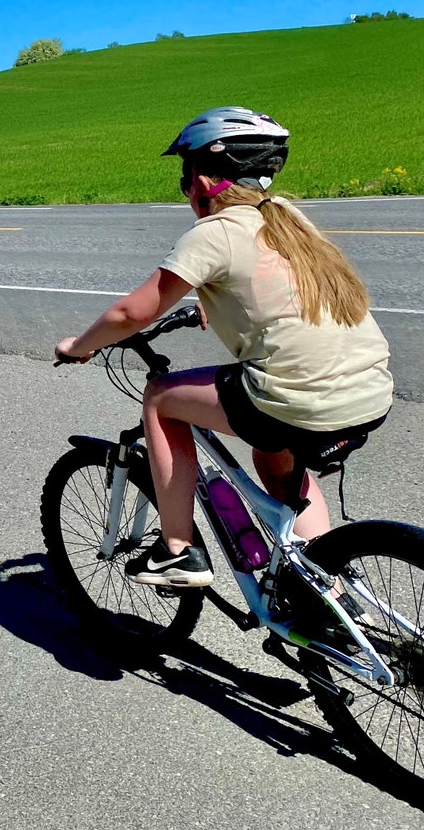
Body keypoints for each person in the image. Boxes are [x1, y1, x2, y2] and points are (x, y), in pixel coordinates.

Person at [53, 107, 393, 588]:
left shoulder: (214, 233)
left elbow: (132, 314)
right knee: (271, 456)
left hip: (297, 400)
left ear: (205, 179)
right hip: (369, 391)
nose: (185, 189)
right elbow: (273, 284)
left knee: (161, 399)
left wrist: (79, 346)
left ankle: (177, 551)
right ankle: (325, 579)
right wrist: (215, 297)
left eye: (185, 176)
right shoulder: (287, 219)